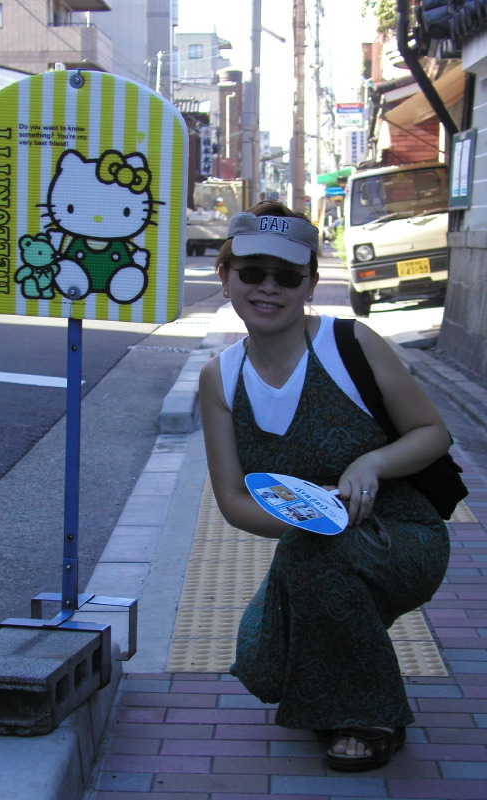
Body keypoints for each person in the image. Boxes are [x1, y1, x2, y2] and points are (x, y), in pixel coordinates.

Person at [198, 200, 451, 772]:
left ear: (311, 281)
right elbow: (234, 502)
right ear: (226, 276)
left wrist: (372, 465)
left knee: (315, 568)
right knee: (264, 660)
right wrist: (311, 517)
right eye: (251, 272)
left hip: (402, 533)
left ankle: (372, 715)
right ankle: (332, 683)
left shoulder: (351, 345)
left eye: (287, 276)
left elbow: (434, 432)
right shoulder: (220, 378)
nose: (268, 288)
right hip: (314, 541)